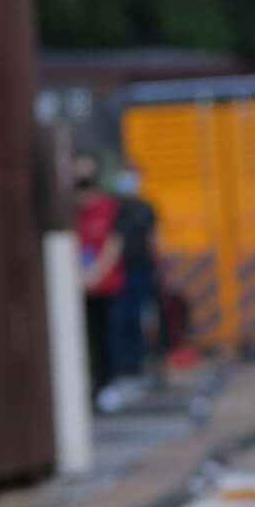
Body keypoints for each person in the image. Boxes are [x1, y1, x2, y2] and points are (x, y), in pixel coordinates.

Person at [71, 158, 123, 405]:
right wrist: (80, 276)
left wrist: (96, 273)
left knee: (106, 337)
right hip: (79, 286)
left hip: (105, 285)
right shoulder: (71, 211)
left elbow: (114, 242)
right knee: (83, 341)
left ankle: (107, 384)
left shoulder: (108, 207)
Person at [109, 170, 162, 390]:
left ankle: (141, 363)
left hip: (142, 269)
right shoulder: (115, 208)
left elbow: (153, 238)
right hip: (119, 271)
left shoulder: (145, 208)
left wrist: (159, 265)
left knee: (141, 317)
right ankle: (124, 365)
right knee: (121, 318)